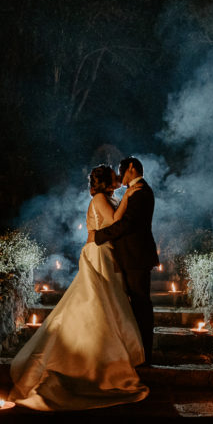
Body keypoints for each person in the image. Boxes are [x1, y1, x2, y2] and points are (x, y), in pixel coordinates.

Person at [9, 164, 149, 411]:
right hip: (99, 253)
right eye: (114, 176)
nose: (118, 178)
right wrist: (128, 196)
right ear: (106, 181)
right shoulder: (99, 199)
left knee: (108, 300)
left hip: (107, 252)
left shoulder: (107, 197)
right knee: (99, 300)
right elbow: (115, 221)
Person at [88, 156, 159, 366]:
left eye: (121, 171)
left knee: (141, 306)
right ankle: (136, 351)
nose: (119, 177)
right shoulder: (133, 192)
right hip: (129, 257)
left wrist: (98, 236)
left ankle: (144, 355)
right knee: (134, 306)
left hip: (136, 258)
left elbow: (125, 224)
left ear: (131, 168)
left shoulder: (141, 192)